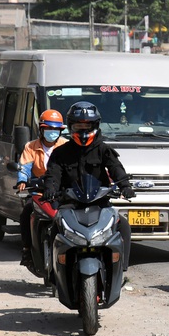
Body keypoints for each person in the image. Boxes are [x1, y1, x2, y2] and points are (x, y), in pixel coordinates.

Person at [43, 101, 136, 270]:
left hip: (99, 203)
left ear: (95, 125)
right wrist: (50, 189)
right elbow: (52, 174)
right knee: (54, 229)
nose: (83, 130)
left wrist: (125, 186)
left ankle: (121, 268)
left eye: (87, 125)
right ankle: (52, 270)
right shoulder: (60, 152)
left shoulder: (103, 149)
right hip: (69, 203)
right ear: (71, 127)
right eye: (79, 125)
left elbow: (116, 168)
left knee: (123, 226)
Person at [16, 109, 68, 266]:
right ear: (41, 129)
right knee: (26, 213)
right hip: (39, 192)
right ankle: (26, 250)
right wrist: (22, 181)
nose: (52, 133)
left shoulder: (66, 146)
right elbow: (24, 167)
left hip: (61, 192)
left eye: (56, 130)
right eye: (48, 129)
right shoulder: (31, 147)